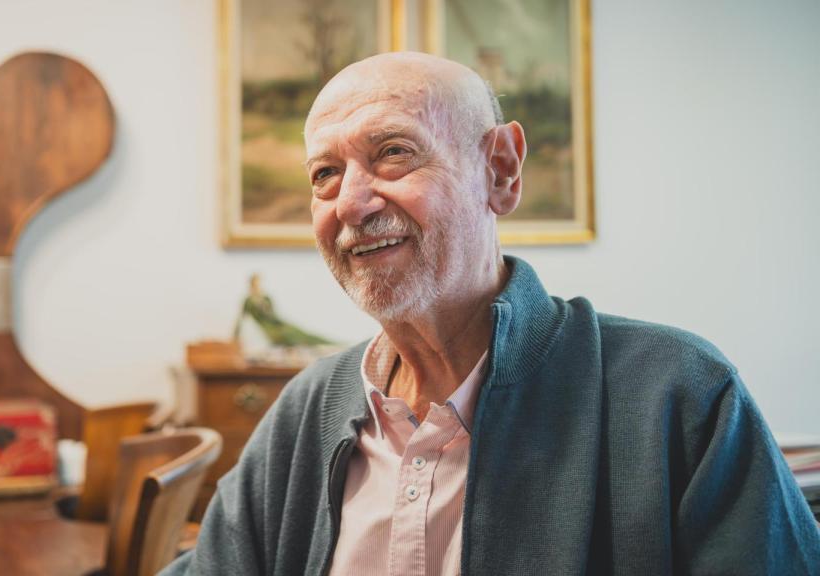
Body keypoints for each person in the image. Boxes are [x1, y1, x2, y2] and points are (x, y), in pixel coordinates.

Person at [163, 52, 820, 575]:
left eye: (393, 151)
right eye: (324, 175)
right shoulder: (307, 411)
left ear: (500, 171)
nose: (351, 203)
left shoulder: (678, 394)